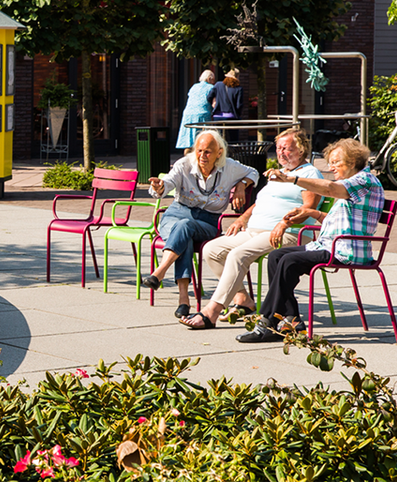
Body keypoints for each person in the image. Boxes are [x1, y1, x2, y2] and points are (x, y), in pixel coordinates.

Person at [237, 138, 384, 343]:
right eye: (330, 163)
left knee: (289, 261)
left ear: (352, 162)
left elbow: (330, 189)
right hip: (331, 244)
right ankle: (292, 320)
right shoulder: (353, 184)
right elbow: (339, 221)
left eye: (336, 162)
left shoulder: (364, 180)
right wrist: (312, 213)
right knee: (277, 256)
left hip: (346, 249)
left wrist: (292, 179)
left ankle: (267, 321)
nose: (331, 167)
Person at [179, 127, 322, 329]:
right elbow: (260, 202)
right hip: (255, 231)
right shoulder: (279, 173)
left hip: (289, 233)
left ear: (301, 149)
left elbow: (308, 208)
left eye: (286, 148)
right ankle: (243, 299)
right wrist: (242, 218)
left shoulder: (309, 173)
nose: (281, 153)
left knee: (238, 254)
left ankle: (211, 312)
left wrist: (284, 223)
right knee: (211, 250)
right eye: (278, 148)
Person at [143, 130, 258, 319]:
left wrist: (241, 185)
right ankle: (183, 300)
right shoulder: (184, 164)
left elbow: (253, 172)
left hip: (208, 222)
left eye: (207, 152)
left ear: (219, 153)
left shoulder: (229, 166)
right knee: (184, 233)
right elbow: (168, 182)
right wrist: (160, 187)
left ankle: (161, 273)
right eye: (199, 150)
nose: (202, 156)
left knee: (184, 228)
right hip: (176, 214)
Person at [176, 70, 216, 150]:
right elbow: (214, 104)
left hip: (188, 115)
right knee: (203, 141)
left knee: (189, 142)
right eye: (213, 80)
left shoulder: (194, 86)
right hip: (202, 114)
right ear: (209, 78)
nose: (213, 82)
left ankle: (187, 155)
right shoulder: (211, 88)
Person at [211, 68, 244, 143]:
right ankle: (233, 150)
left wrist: (214, 102)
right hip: (231, 117)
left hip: (218, 117)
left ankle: (220, 150)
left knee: (218, 139)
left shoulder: (218, 85)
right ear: (237, 77)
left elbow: (209, 97)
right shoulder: (239, 88)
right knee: (233, 139)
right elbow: (239, 105)